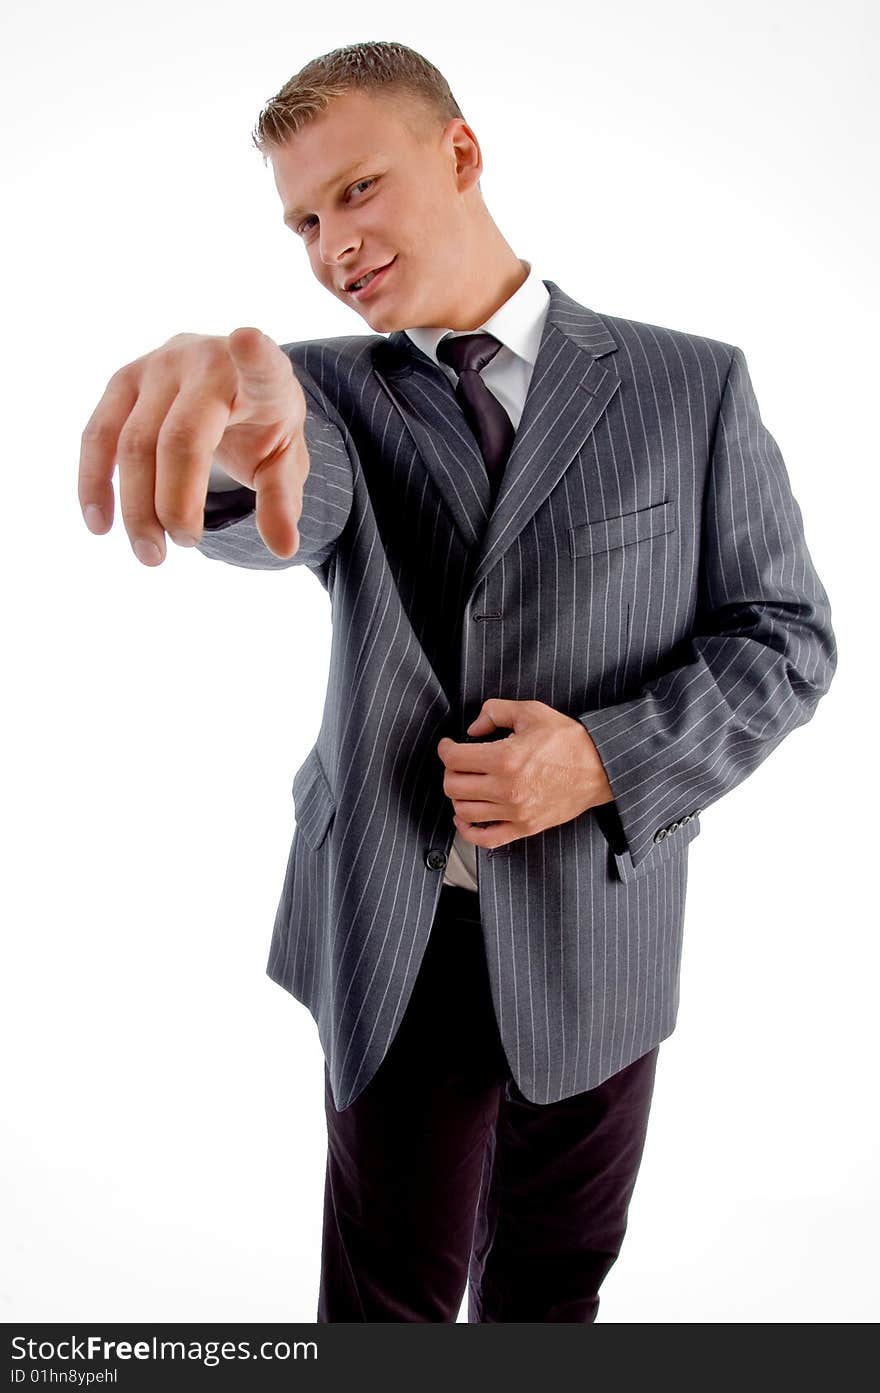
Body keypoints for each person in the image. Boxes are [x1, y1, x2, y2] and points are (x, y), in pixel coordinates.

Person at [78, 40, 837, 1323]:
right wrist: (232, 441)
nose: (332, 247)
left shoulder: (689, 384)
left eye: (357, 191)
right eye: (305, 221)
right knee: (383, 1301)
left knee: (551, 1288)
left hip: (604, 923)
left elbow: (784, 636)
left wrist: (600, 756)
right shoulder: (317, 391)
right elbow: (286, 500)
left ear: (462, 153)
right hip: (393, 920)